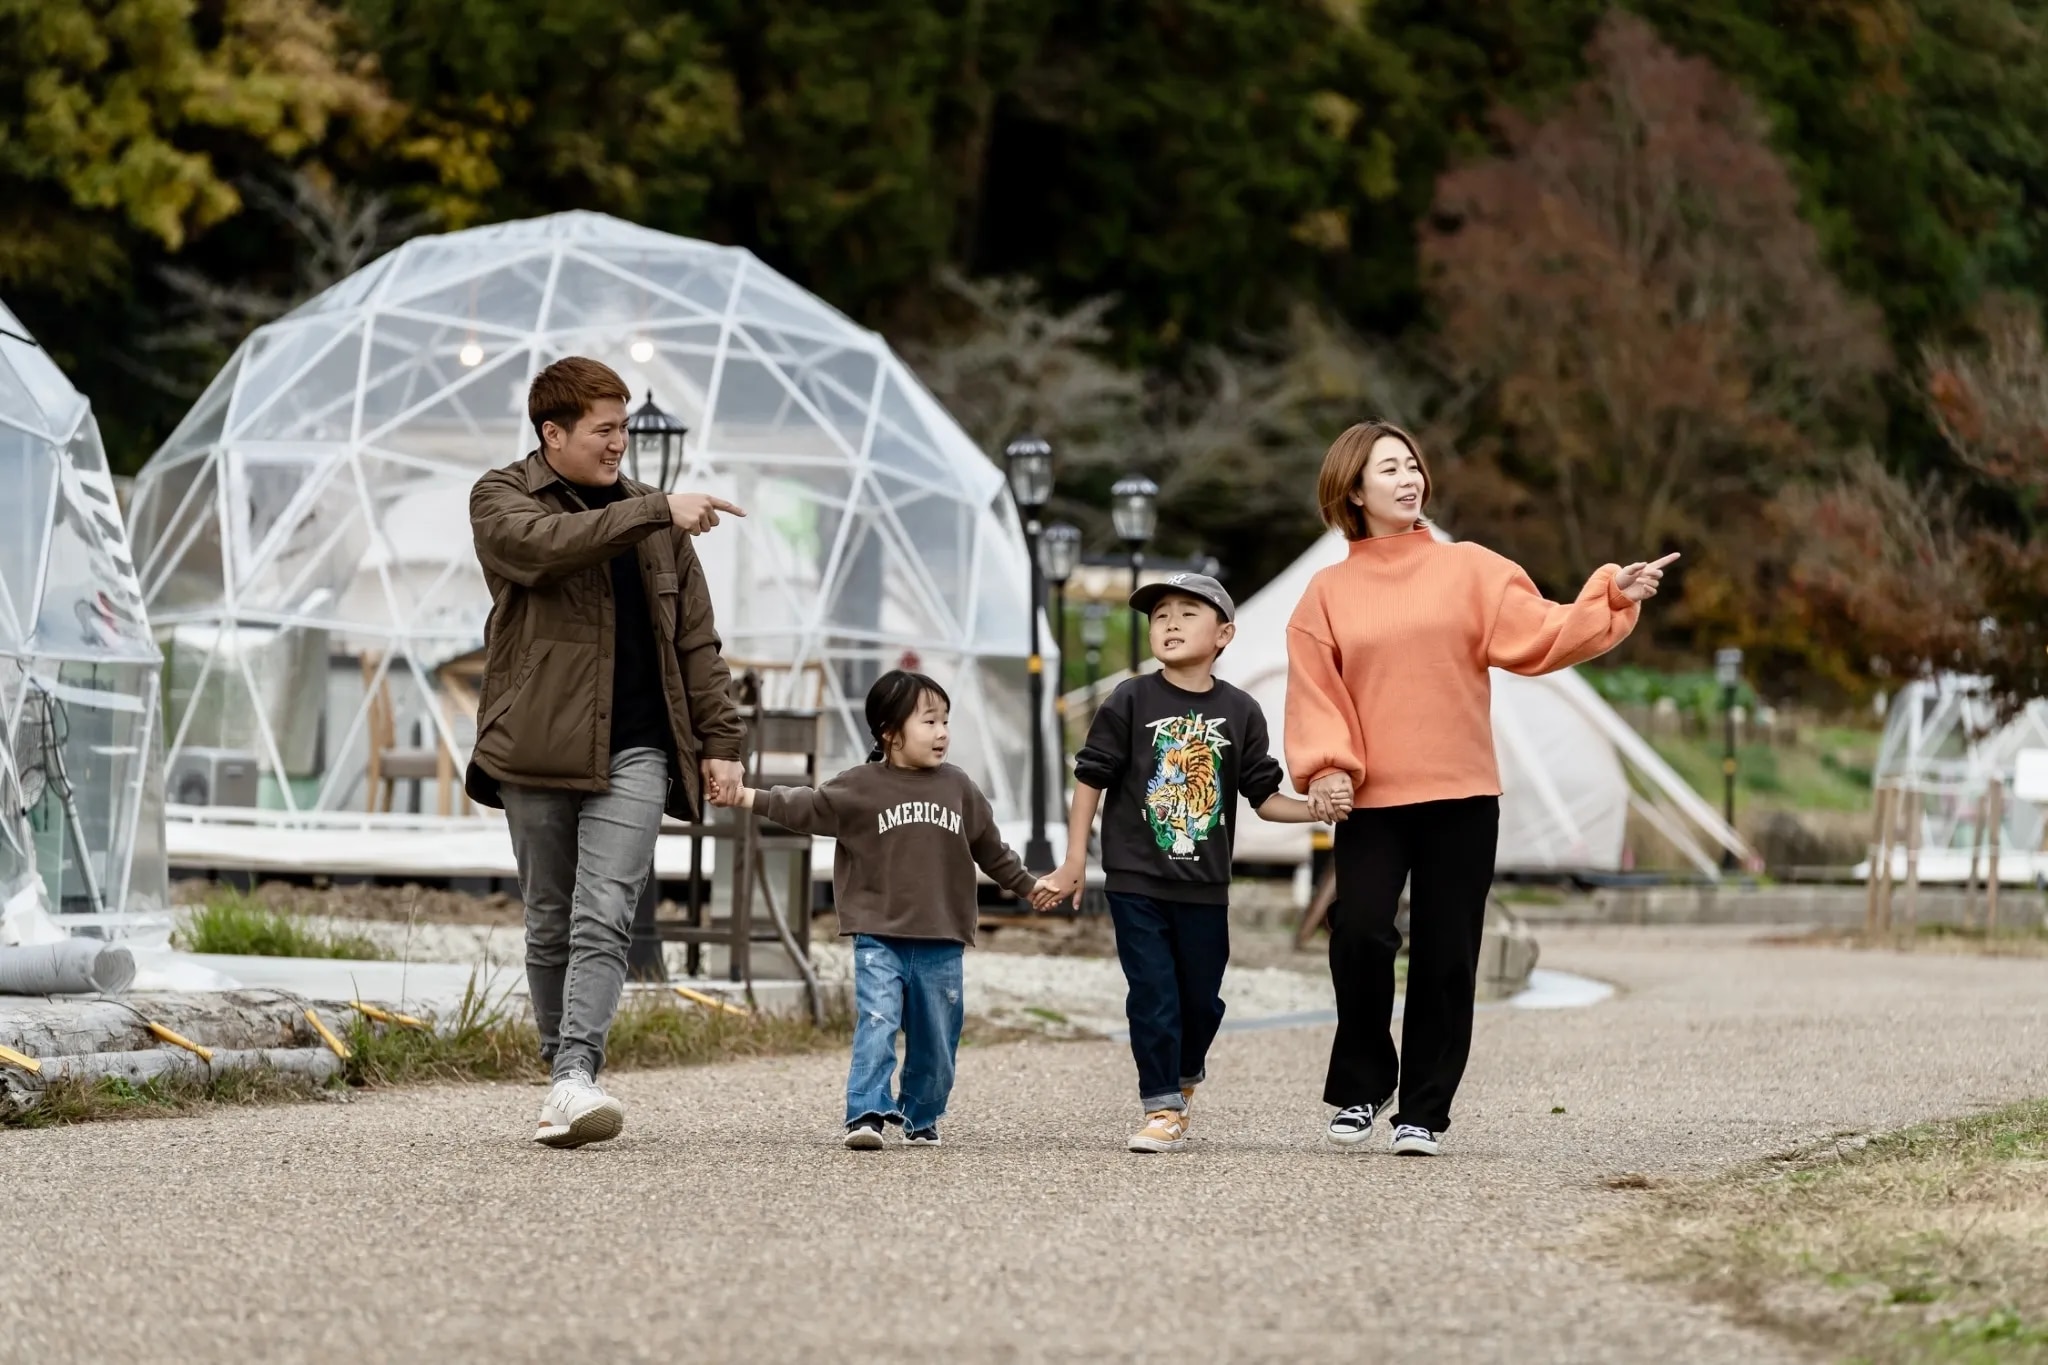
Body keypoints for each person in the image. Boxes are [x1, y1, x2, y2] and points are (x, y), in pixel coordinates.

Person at [1286, 421, 1676, 1156]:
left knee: (1447, 953)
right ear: (1353, 490)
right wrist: (1328, 763)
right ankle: (1365, 1084)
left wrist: (1609, 595)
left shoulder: (1469, 568)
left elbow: (1543, 632)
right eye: (1389, 469)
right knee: (1360, 933)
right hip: (1372, 800)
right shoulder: (1325, 592)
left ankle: (1423, 1112)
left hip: (1461, 795)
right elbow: (1315, 690)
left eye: (1412, 465)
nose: (1408, 479)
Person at [466, 356, 749, 1149]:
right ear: (552, 434)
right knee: (549, 920)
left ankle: (576, 1071)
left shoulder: (657, 526)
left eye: (624, 427)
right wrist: (656, 509)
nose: (620, 441)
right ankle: (561, 1076)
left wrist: (722, 741)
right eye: (605, 429)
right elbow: (542, 547)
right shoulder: (501, 496)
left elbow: (696, 641)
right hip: (535, 745)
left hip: (638, 747)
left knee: (605, 913)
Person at [715, 670, 1059, 1149]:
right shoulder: (860, 786)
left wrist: (1029, 886)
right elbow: (806, 806)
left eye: (945, 721)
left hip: (942, 938)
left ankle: (922, 1115)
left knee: (937, 1040)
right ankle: (866, 1114)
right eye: (929, 722)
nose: (942, 732)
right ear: (890, 733)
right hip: (878, 935)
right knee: (877, 1021)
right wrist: (745, 796)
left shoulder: (959, 787)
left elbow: (992, 851)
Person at [1043, 573, 1324, 1154]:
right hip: (1134, 880)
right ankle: (1162, 1105)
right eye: (1160, 615)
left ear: (1224, 634)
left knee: (1201, 1001)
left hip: (1204, 885)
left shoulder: (1241, 710)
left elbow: (1263, 798)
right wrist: (1073, 861)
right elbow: (1090, 779)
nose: (1169, 622)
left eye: (1187, 613)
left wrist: (1316, 809)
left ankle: (1185, 1071)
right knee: (1152, 993)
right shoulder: (1129, 699)